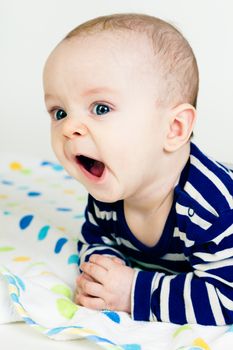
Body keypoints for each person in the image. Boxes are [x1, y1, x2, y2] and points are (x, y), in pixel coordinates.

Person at [43, 13, 233, 326]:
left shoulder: (212, 210)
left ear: (173, 128)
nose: (69, 128)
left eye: (101, 108)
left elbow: (226, 297)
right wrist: (104, 278)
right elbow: (97, 241)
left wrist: (133, 291)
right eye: (59, 112)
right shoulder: (109, 189)